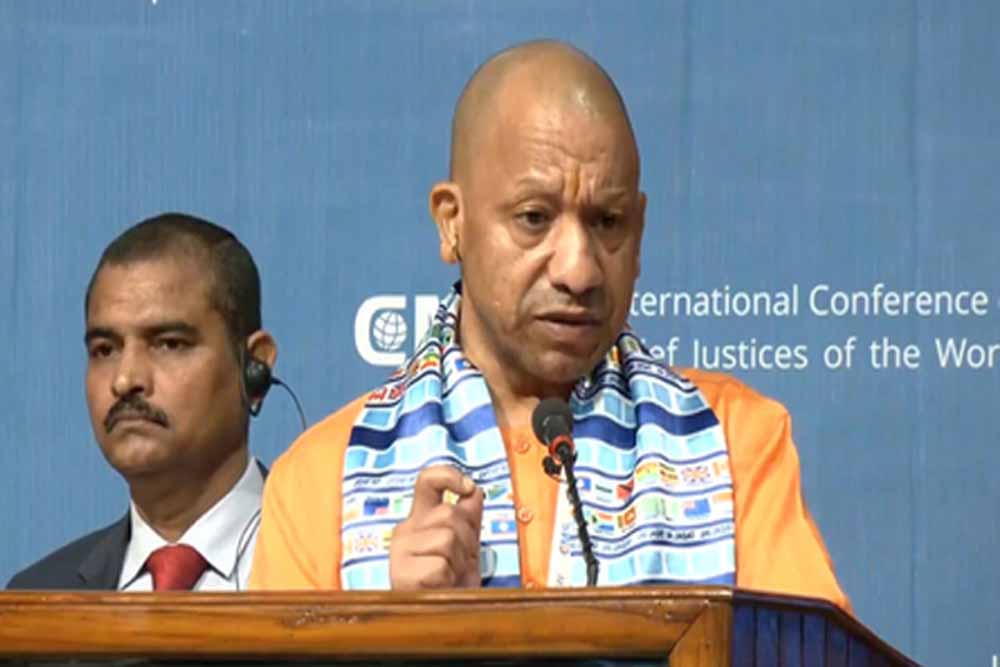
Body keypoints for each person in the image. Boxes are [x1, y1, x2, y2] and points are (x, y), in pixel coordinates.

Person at [250, 41, 849, 610]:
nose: (579, 270)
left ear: (639, 231)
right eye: (534, 218)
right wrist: (393, 634)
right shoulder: (321, 480)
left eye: (607, 221)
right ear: (452, 223)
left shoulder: (736, 442)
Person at [7, 213, 277, 591]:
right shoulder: (38, 597)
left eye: (169, 344)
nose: (125, 380)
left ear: (254, 366)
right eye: (105, 350)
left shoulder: (339, 571)